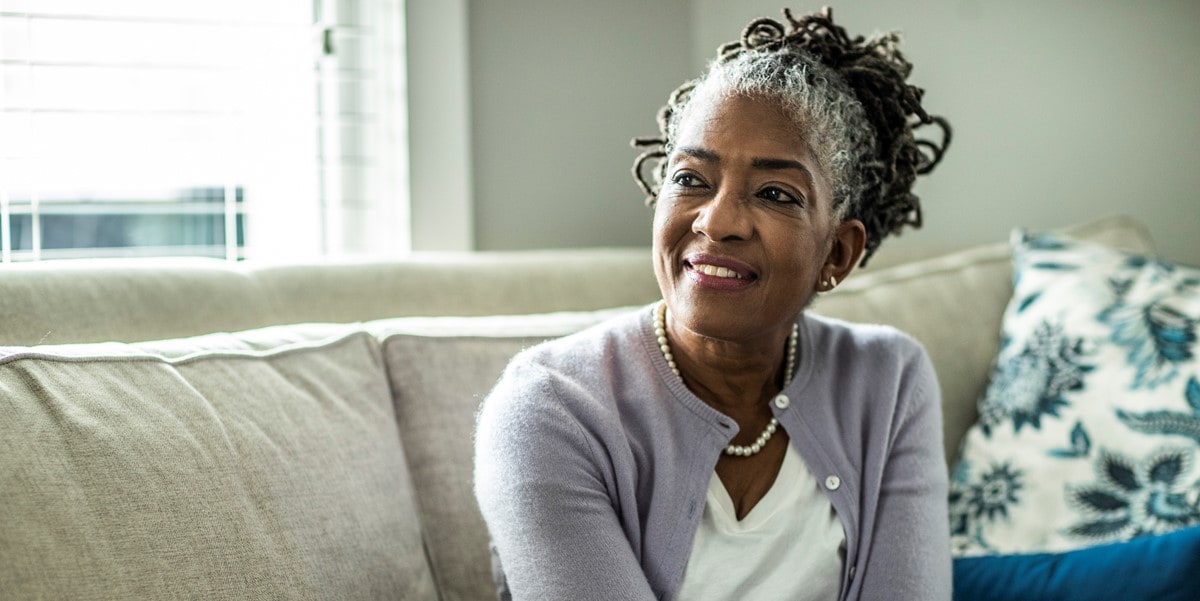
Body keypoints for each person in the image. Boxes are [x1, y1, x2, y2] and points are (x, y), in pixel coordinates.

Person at [474, 7, 952, 600]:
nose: (717, 220)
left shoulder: (889, 380)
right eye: (691, 179)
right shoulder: (549, 408)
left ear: (837, 254)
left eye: (776, 193)